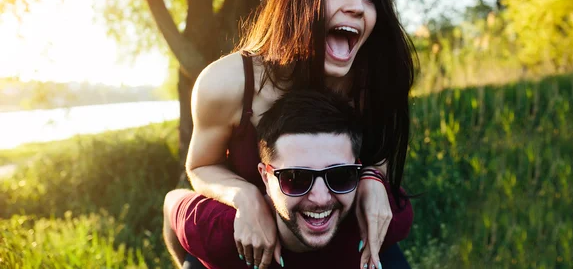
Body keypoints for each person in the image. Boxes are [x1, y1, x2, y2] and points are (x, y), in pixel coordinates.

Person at [182, 0, 416, 269]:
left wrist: (373, 178)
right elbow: (200, 166)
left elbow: (377, 150)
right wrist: (246, 197)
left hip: (333, 232)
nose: (356, 6)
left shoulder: (371, 80)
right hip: (252, 246)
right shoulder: (227, 82)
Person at [164, 90, 412, 269]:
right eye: (296, 178)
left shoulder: (381, 217)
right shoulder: (221, 233)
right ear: (265, 176)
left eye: (340, 176)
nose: (320, 198)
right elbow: (170, 204)